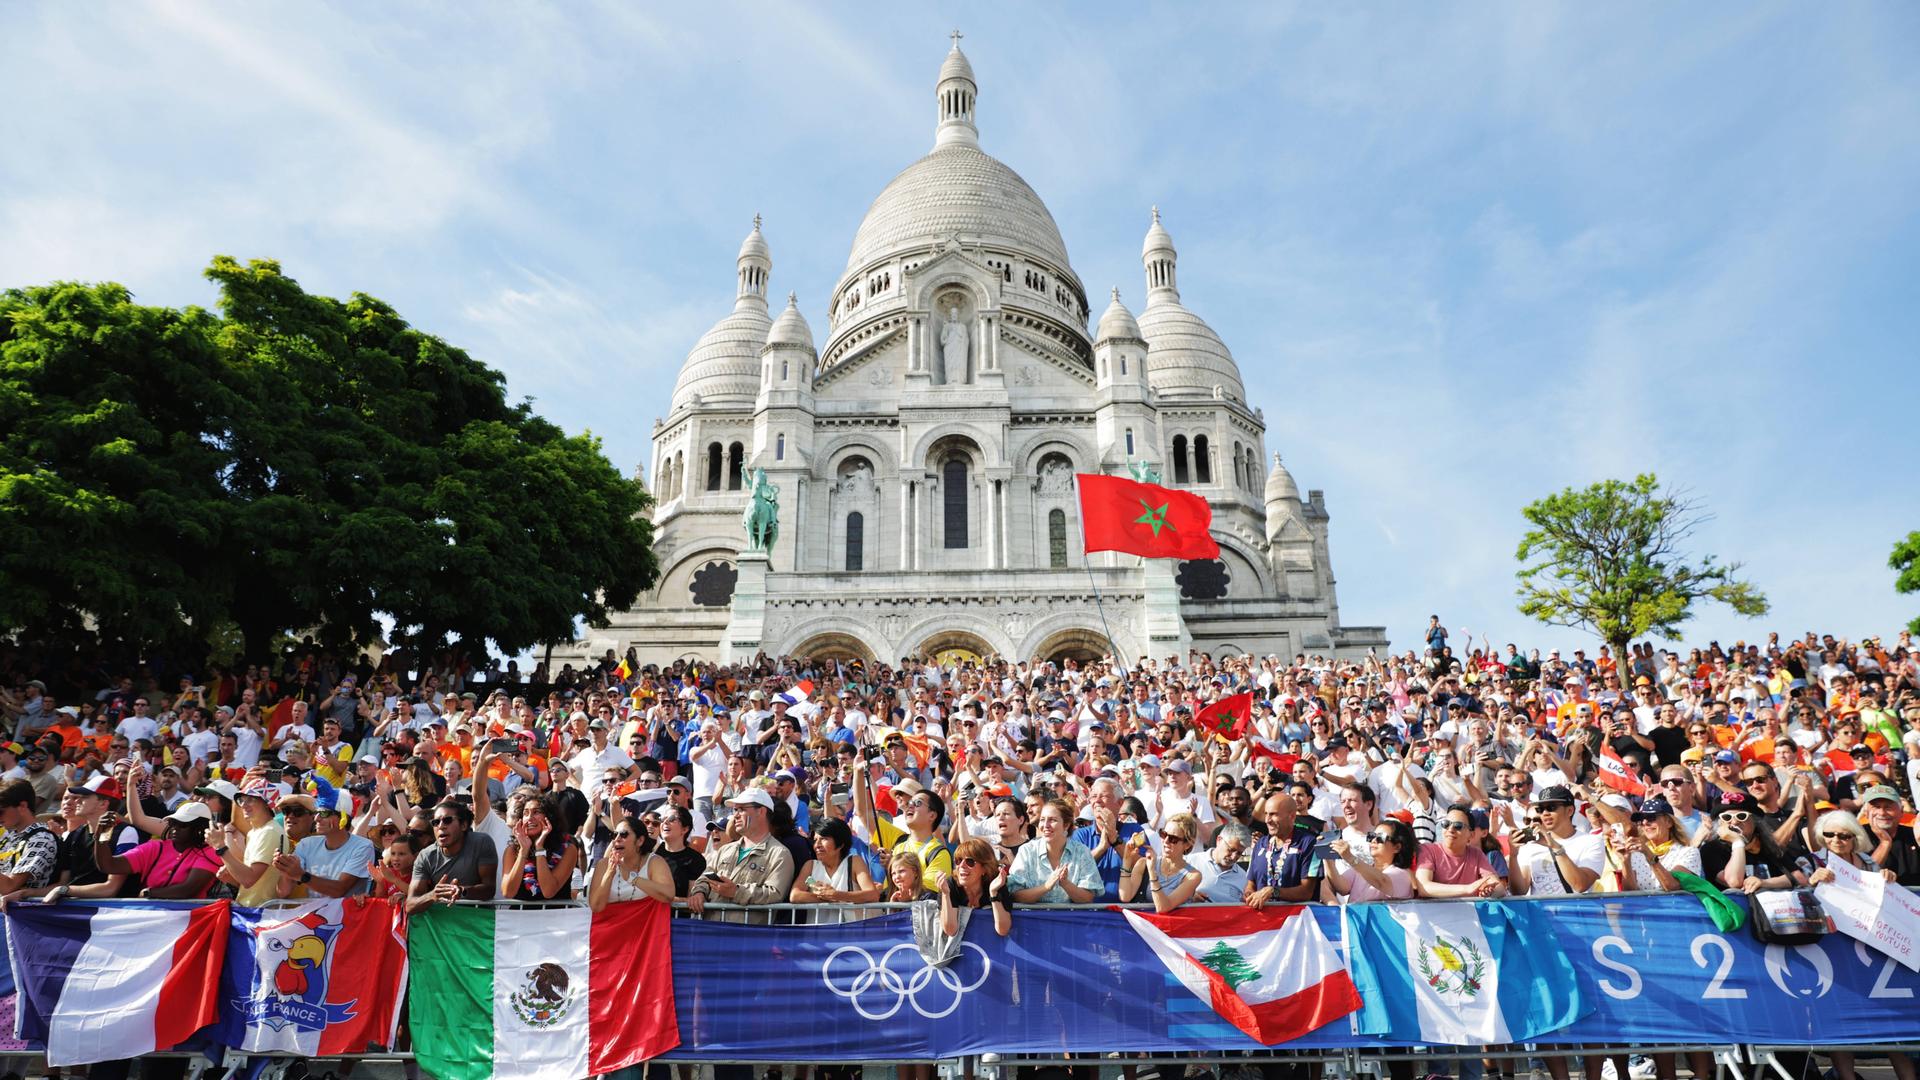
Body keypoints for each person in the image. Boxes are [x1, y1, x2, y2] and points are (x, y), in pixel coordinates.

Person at [688, 788, 795, 916]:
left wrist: (736, 892)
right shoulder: (725, 849)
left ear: (761, 811)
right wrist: (699, 893)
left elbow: (774, 894)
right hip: (712, 930)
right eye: (735, 810)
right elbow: (704, 878)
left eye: (742, 809)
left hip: (745, 933)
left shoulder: (780, 854)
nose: (736, 815)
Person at [96, 802, 222, 899]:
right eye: (173, 823)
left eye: (182, 825)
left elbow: (188, 889)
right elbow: (109, 866)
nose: (174, 828)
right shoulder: (155, 847)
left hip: (189, 920)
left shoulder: (210, 851)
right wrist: (101, 836)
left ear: (199, 828)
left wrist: (149, 892)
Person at [274, 790, 376, 898]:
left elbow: (339, 890)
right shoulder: (306, 844)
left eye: (324, 813)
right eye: (316, 813)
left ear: (343, 817)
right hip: (312, 912)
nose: (317, 818)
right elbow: (283, 892)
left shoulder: (363, 847)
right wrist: (286, 870)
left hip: (344, 913)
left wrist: (301, 875)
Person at [1509, 786, 1602, 895]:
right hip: (1540, 912)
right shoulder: (1529, 847)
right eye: (1540, 809)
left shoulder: (1592, 842)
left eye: (1551, 807)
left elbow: (1580, 885)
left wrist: (1556, 847)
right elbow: (1518, 892)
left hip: (1574, 911)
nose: (1545, 813)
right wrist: (1513, 855)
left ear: (1570, 810)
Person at [409, 799, 498, 912]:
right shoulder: (425, 856)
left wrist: (461, 891)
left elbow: (489, 889)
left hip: (478, 922)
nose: (441, 826)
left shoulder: (482, 842)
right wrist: (432, 895)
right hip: (443, 924)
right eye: (435, 822)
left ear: (464, 825)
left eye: (447, 820)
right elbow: (410, 905)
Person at [1008, 798, 1101, 903]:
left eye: (1052, 820)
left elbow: (1087, 898)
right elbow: (1015, 895)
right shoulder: (1027, 851)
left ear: (1066, 825)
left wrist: (1066, 884)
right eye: (1042, 819)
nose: (1046, 825)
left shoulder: (1082, 852)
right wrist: (1046, 887)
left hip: (1070, 918)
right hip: (1034, 918)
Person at [1245, 792, 1322, 909]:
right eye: (1266, 814)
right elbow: (1251, 884)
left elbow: (1307, 891)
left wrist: (1273, 891)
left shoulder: (1309, 843)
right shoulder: (1260, 844)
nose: (1267, 820)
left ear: (1291, 816)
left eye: (1273, 814)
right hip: (1262, 919)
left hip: (1296, 921)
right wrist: (1249, 895)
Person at [789, 817, 881, 914]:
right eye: (815, 840)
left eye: (824, 839)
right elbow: (795, 895)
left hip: (850, 927)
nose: (817, 845)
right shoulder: (810, 865)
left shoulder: (854, 861)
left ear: (841, 844)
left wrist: (837, 895)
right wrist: (827, 897)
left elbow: (872, 894)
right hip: (819, 927)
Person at [587, 811, 675, 912]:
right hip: (609, 925)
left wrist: (631, 878)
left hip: (643, 926)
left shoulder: (654, 862)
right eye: (614, 834)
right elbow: (596, 907)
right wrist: (609, 874)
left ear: (640, 841)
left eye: (624, 834)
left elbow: (668, 895)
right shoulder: (603, 864)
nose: (617, 839)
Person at [217, 780, 287, 906]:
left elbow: (248, 879)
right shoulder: (254, 832)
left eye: (250, 799)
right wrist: (230, 876)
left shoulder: (270, 831)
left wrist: (220, 848)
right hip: (251, 911)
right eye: (241, 800)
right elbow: (248, 882)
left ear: (266, 804)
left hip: (262, 914)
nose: (243, 805)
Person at [1612, 796, 1702, 892]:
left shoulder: (1688, 852)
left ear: (1668, 822)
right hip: (1644, 907)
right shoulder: (1636, 855)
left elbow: (1673, 886)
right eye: (1641, 819)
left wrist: (1649, 854)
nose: (1645, 822)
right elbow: (1629, 893)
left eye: (1651, 818)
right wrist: (1625, 861)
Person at [502, 792, 581, 901]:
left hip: (555, 916)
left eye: (536, 812)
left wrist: (539, 848)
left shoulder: (568, 849)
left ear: (550, 817)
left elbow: (548, 891)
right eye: (526, 813)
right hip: (520, 916)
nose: (530, 818)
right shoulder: (512, 850)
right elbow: (508, 892)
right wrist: (523, 851)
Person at [1414, 805, 1506, 898]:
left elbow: (1499, 887)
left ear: (1471, 834)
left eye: (1458, 826)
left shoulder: (1476, 854)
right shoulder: (1427, 850)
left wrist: (1490, 891)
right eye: (1446, 824)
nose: (1450, 829)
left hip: (1469, 911)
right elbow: (1424, 888)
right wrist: (1467, 889)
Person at [1119, 811, 1203, 911]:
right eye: (1163, 834)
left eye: (1173, 839)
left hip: (1171, 926)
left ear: (1187, 844)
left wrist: (1152, 872)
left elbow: (1163, 907)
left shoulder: (1193, 875)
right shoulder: (1143, 863)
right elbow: (1125, 897)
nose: (1166, 841)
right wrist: (1127, 859)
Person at [1327, 817, 1416, 901]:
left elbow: (1381, 881)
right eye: (1372, 836)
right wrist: (1326, 856)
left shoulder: (1402, 874)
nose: (1373, 840)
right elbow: (1341, 887)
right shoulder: (1361, 869)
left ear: (1397, 847)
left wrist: (1350, 858)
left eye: (1380, 837)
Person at [0, 779, 58, 897]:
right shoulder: (8, 836)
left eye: (0, 812)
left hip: (23, 912)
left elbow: (9, 887)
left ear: (22, 806)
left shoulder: (42, 839)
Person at [1188, 822, 1252, 903]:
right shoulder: (1190, 862)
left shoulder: (1244, 879)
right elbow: (1168, 890)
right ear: (1219, 840)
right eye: (1231, 850)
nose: (1233, 857)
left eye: (1239, 853)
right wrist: (1188, 896)